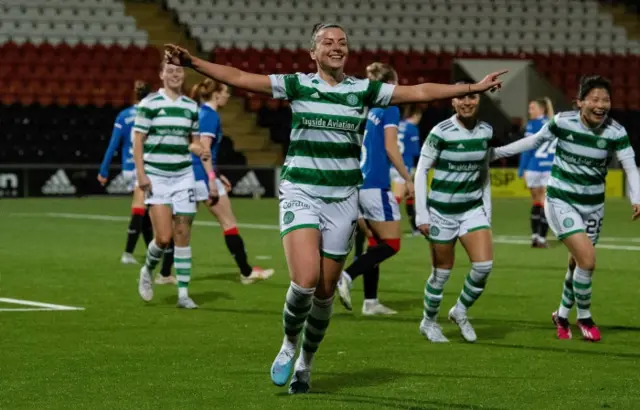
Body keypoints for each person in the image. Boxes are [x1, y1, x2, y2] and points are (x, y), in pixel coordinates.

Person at [164, 23, 506, 394]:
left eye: (342, 42)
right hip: (302, 192)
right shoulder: (298, 84)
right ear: (313, 52)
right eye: (327, 42)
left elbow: (419, 91)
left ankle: (305, 364)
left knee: (326, 293)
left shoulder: (363, 90)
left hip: (344, 198)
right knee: (305, 280)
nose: (336, 46)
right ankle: (288, 344)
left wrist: (471, 87)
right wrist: (194, 62)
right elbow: (243, 78)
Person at [491, 76, 640, 342]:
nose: (600, 105)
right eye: (594, 99)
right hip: (561, 200)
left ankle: (561, 314)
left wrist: (636, 197)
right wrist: (495, 153)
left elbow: (630, 165)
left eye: (605, 100)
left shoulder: (616, 131)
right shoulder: (562, 122)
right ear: (580, 102)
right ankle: (584, 316)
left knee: (577, 264)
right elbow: (533, 142)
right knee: (588, 260)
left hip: (593, 207)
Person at [413, 82, 494, 343]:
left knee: (483, 266)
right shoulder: (441, 131)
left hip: (471, 209)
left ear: (479, 99)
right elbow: (421, 170)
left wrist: (487, 209)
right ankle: (429, 321)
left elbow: (484, 172)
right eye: (460, 98)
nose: (466, 102)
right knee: (442, 272)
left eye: (471, 97)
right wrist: (421, 215)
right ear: (453, 102)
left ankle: (459, 311)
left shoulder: (485, 131)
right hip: (442, 212)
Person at [133, 61, 214, 309]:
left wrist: (200, 150)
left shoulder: (191, 107)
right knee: (164, 237)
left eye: (179, 71)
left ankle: (183, 294)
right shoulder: (149, 104)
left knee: (183, 234)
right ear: (161, 75)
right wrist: (141, 174)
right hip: (156, 175)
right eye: (170, 70)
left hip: (183, 175)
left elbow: (192, 141)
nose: (175, 74)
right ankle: (147, 270)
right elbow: (138, 141)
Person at [336, 62, 413, 316]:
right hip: (376, 184)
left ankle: (370, 302)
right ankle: (346, 275)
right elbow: (391, 147)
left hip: (357, 182)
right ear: (391, 84)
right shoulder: (389, 107)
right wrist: (407, 177)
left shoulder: (364, 108)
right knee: (391, 244)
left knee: (374, 242)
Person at [190, 79, 275, 284]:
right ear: (216, 94)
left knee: (181, 226)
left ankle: (163, 272)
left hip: (195, 175)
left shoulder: (201, 113)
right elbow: (205, 151)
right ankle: (247, 273)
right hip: (203, 177)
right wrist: (212, 179)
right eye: (226, 92)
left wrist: (217, 175)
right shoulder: (210, 116)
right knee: (229, 224)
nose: (228, 96)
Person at [97, 81, 177, 284]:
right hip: (145, 166)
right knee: (141, 207)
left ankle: (151, 249)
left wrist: (104, 170)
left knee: (149, 210)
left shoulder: (124, 115)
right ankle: (128, 252)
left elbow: (114, 144)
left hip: (128, 167)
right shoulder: (155, 113)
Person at [518, 97, 555, 248]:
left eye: (532, 108)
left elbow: (527, 148)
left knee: (536, 201)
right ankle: (541, 238)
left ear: (541, 109)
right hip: (549, 168)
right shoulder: (553, 124)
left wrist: (522, 169)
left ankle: (535, 235)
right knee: (545, 202)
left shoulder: (532, 125)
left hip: (534, 167)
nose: (529, 111)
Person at [394, 104, 422, 234]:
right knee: (398, 197)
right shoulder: (412, 128)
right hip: (405, 166)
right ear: (416, 115)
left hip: (392, 165)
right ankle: (384, 222)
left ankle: (415, 227)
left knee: (411, 195)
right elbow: (414, 152)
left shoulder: (397, 125)